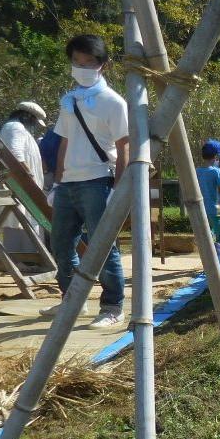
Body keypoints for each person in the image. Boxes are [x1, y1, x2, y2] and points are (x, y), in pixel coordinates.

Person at [42, 34, 128, 328]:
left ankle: (113, 306)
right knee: (61, 243)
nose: (81, 67)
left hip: (98, 181)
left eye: (88, 61)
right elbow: (64, 141)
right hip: (69, 185)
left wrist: (117, 189)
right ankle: (72, 300)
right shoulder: (68, 101)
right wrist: (58, 181)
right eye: (77, 61)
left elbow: (124, 146)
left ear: (102, 64)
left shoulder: (113, 102)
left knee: (103, 245)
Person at [0, 101, 47, 256]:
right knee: (22, 220)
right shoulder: (15, 127)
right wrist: (28, 176)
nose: (34, 125)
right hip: (23, 183)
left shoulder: (17, 128)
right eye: (34, 120)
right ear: (27, 116)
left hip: (25, 182)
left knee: (27, 219)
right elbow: (16, 153)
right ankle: (24, 258)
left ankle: (29, 256)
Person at [196, 138, 220, 260]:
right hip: (217, 207)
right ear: (216, 157)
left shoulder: (197, 171)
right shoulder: (217, 172)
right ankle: (216, 262)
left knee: (207, 234)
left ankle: (207, 259)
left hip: (203, 208)